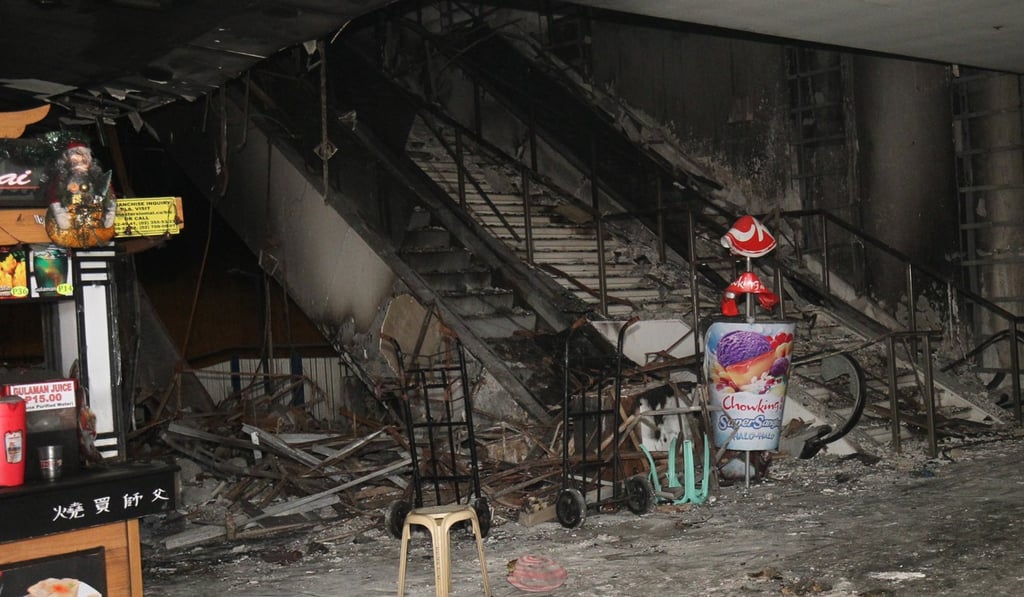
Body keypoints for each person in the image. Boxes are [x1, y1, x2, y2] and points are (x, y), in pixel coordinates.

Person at [44, 140, 117, 248]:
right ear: (68, 161)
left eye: (84, 159)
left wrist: (110, 213)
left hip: (95, 224)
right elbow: (54, 196)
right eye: (75, 160)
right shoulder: (62, 180)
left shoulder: (97, 178)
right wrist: (60, 214)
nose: (80, 163)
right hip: (68, 227)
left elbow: (109, 195)